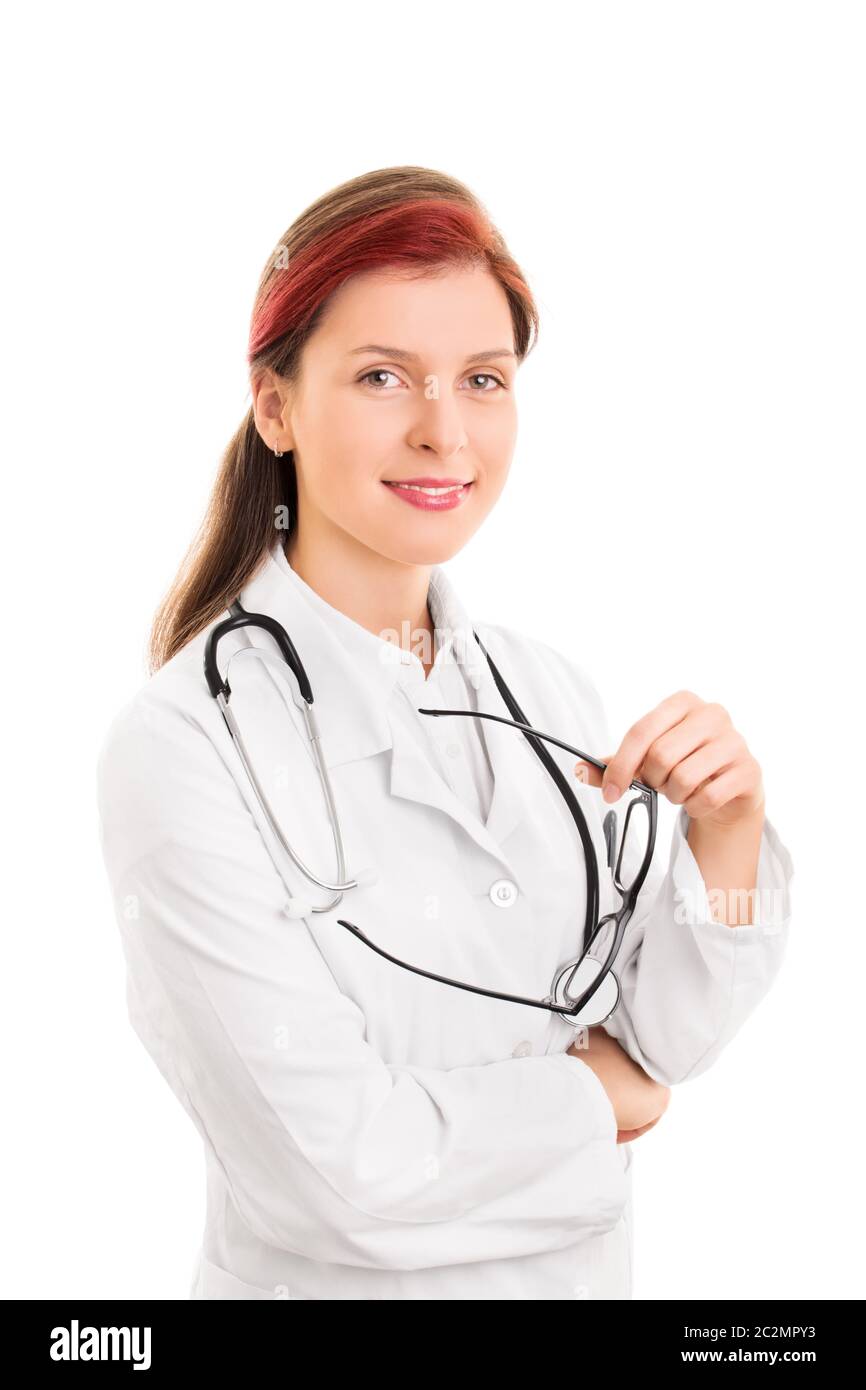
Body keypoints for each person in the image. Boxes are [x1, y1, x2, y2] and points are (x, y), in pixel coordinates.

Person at [96, 165, 794, 1300]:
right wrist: (594, 1103)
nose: (442, 431)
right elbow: (340, 1179)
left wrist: (726, 830)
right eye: (383, 376)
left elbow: (668, 1037)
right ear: (274, 405)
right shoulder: (183, 748)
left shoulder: (547, 695)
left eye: (481, 379)